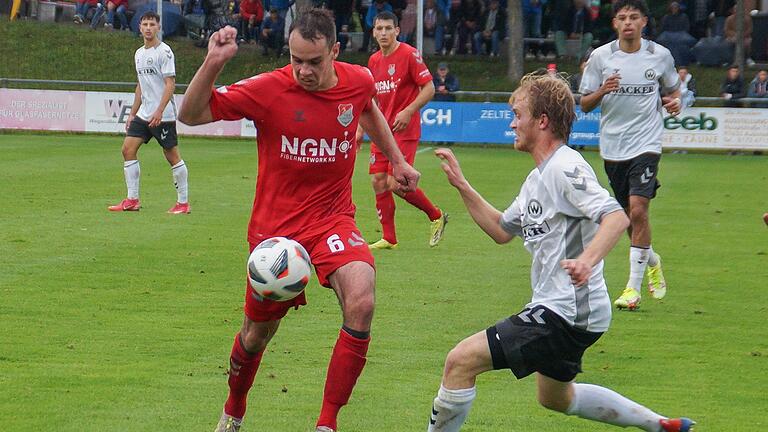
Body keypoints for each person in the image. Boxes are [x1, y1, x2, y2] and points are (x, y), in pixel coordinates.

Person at [178, 8, 420, 432]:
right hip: (277, 234)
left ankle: (327, 423)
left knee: (361, 300)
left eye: (314, 61)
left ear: (335, 52)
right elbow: (192, 113)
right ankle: (234, 408)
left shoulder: (358, 81)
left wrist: (397, 160)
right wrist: (213, 62)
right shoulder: (268, 89)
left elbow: (368, 110)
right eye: (296, 60)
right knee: (256, 336)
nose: (304, 71)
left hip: (333, 221)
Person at [425, 72, 695, 432]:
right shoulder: (538, 178)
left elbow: (615, 216)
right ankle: (661, 425)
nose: (512, 123)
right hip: (570, 310)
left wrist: (587, 260)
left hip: (564, 311)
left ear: (542, 121)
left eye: (517, 114)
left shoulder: (565, 167)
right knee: (555, 398)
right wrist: (462, 185)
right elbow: (502, 231)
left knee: (460, 361)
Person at [579, 0, 680, 310]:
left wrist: (677, 103)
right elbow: (584, 103)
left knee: (638, 210)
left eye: (633, 17)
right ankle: (651, 258)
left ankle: (632, 289)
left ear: (643, 22)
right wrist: (603, 91)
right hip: (613, 147)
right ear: (615, 24)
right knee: (627, 219)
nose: (628, 22)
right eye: (622, 17)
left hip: (647, 143)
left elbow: (676, 91)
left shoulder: (659, 55)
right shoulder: (601, 57)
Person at [362, 11, 448, 250]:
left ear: (397, 30)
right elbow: (372, 100)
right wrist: (361, 128)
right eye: (379, 29)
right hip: (382, 130)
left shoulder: (409, 54)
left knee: (396, 182)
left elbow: (429, 88)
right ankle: (389, 238)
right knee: (378, 181)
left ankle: (436, 215)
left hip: (404, 129)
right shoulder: (374, 61)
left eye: (388, 28)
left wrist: (409, 111)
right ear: (373, 32)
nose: (383, 33)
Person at [108, 11, 190, 214]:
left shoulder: (164, 52)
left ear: (158, 28)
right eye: (144, 24)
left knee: (172, 156)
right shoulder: (138, 54)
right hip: (144, 114)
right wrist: (132, 113)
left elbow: (170, 84)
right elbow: (140, 86)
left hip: (163, 114)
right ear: (139, 27)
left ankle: (183, 203)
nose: (148, 27)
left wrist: (160, 111)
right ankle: (132, 200)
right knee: (127, 149)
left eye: (152, 24)